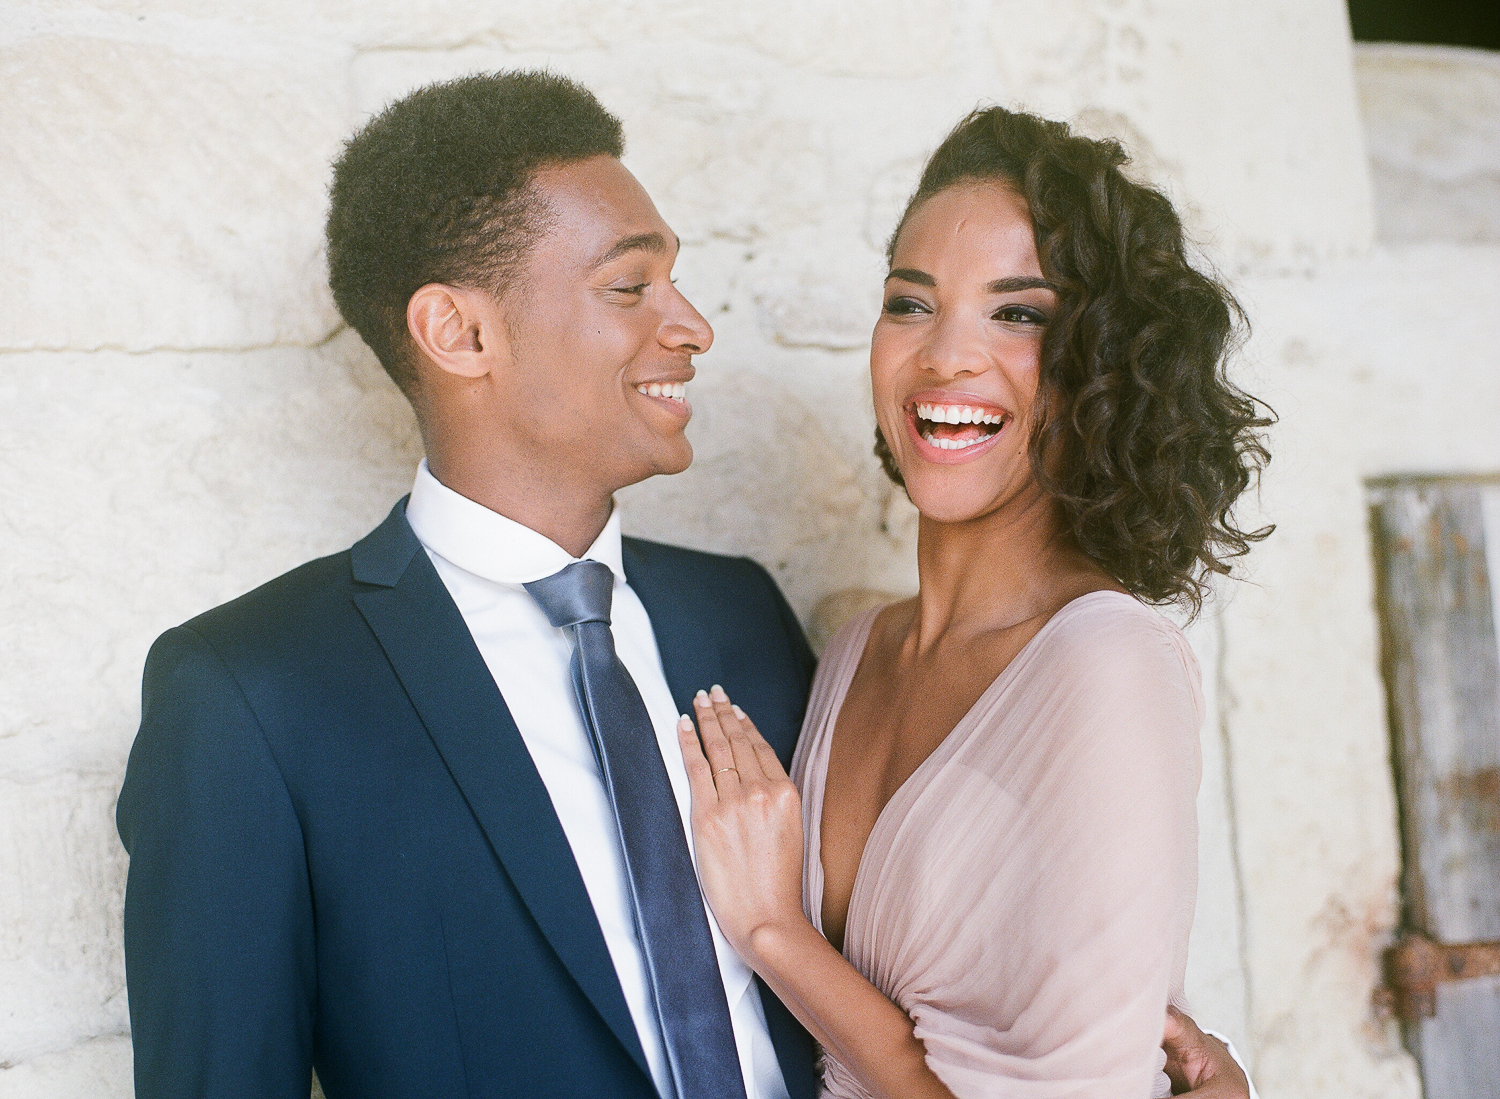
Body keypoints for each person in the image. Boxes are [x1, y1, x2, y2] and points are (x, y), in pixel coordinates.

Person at [116, 73, 1251, 1099]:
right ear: (458, 330)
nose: (694, 327)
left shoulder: (743, 616)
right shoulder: (251, 698)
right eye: (630, 285)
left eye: (678, 278)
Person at [677, 105, 1270, 1099]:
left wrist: (777, 932)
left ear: (1104, 367)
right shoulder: (858, 648)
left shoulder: (1108, 664)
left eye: (1020, 313)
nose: (946, 355)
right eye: (911, 304)